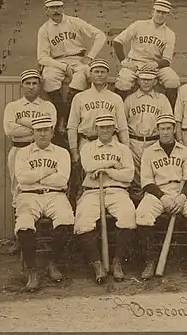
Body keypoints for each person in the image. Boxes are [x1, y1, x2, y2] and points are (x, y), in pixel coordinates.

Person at [135, 113, 187, 282]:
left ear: (174, 129)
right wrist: (163, 197)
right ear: (158, 130)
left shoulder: (184, 151)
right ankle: (150, 261)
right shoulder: (149, 152)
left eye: (169, 128)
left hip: (182, 191)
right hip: (157, 192)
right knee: (142, 215)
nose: (166, 132)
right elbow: (146, 182)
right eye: (162, 129)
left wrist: (182, 197)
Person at [13, 116, 74, 291]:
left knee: (66, 219)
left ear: (52, 132)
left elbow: (62, 180)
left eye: (46, 130)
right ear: (33, 133)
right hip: (29, 195)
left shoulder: (62, 153)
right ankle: (32, 270)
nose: (43, 134)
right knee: (24, 223)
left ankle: (52, 262)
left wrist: (35, 178)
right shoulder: (23, 153)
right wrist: (47, 172)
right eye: (39, 130)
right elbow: (22, 178)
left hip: (55, 195)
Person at [75, 114, 136, 284]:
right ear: (96, 129)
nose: (105, 130)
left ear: (114, 129)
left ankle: (118, 261)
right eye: (102, 127)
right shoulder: (87, 148)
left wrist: (108, 171)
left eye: (109, 127)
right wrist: (113, 165)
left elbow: (129, 175)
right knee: (83, 220)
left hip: (117, 190)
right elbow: (88, 166)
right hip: (92, 191)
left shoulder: (123, 149)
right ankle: (97, 263)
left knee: (128, 215)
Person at [3, 69, 57, 255]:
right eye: (28, 83)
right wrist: (36, 128)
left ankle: (43, 238)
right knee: (18, 191)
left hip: (42, 152)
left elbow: (48, 129)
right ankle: (20, 239)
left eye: (35, 83)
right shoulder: (13, 106)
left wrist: (24, 123)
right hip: (19, 150)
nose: (31, 86)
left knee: (42, 189)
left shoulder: (48, 106)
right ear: (22, 85)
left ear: (40, 86)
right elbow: (10, 130)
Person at [37, 0, 106, 132]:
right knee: (48, 77)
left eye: (58, 7)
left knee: (80, 77)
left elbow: (101, 35)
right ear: (46, 10)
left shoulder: (75, 22)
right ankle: (63, 116)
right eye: (52, 8)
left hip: (77, 59)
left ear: (63, 7)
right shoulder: (44, 29)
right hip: (57, 61)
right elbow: (42, 58)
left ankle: (67, 120)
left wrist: (90, 57)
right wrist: (64, 67)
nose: (56, 10)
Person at [113, 0, 180, 107]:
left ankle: (170, 111)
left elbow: (167, 60)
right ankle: (118, 111)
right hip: (135, 63)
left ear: (168, 15)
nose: (160, 15)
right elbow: (117, 41)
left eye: (164, 13)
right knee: (123, 82)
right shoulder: (138, 25)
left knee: (173, 80)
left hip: (155, 65)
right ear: (152, 12)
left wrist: (156, 64)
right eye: (158, 11)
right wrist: (124, 62)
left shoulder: (170, 34)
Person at [124, 69, 172, 201]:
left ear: (155, 81)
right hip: (135, 141)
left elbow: (168, 121)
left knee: (154, 173)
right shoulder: (130, 99)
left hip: (154, 140)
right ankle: (137, 204)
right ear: (138, 81)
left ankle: (152, 202)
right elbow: (123, 123)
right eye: (143, 79)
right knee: (135, 176)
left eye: (149, 79)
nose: (146, 82)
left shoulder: (162, 99)